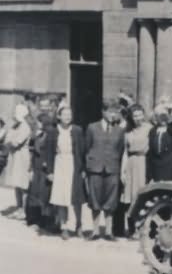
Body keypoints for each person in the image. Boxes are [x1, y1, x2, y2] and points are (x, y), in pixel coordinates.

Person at [84, 100, 126, 241]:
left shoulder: (120, 130)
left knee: (111, 200)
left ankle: (108, 231)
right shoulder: (92, 127)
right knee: (95, 199)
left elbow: (120, 150)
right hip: (95, 168)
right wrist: (90, 164)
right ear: (103, 112)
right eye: (110, 111)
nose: (113, 115)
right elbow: (87, 147)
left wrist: (113, 162)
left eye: (115, 112)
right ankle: (95, 231)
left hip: (112, 168)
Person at [48, 106, 87, 240]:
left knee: (76, 197)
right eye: (64, 115)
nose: (67, 117)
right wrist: (50, 171)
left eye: (69, 115)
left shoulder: (77, 130)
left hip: (74, 165)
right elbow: (49, 153)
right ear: (59, 116)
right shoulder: (53, 131)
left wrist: (83, 169)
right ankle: (64, 226)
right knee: (61, 197)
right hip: (59, 165)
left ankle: (79, 225)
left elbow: (83, 151)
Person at [120, 104, 151, 238]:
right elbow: (125, 152)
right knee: (129, 196)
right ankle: (131, 228)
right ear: (131, 118)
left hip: (143, 162)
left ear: (143, 115)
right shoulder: (127, 131)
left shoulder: (149, 128)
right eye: (135, 116)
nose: (138, 118)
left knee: (141, 195)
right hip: (131, 164)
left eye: (140, 115)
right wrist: (123, 171)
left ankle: (142, 228)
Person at [4, 104, 32, 220]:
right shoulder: (15, 126)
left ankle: (24, 210)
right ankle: (19, 207)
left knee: (22, 184)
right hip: (14, 156)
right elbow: (6, 140)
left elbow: (16, 143)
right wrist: (10, 142)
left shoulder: (25, 127)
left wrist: (10, 142)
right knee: (16, 184)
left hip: (22, 157)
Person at [25, 113, 54, 229]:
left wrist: (48, 163)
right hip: (36, 167)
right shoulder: (39, 135)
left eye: (39, 122)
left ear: (44, 122)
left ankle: (44, 221)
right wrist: (30, 169)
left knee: (44, 195)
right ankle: (33, 219)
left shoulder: (51, 135)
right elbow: (33, 152)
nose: (37, 124)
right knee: (34, 193)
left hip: (45, 169)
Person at [147, 110, 172, 183]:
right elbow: (151, 152)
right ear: (156, 117)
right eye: (160, 116)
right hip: (156, 166)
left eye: (165, 116)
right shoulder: (152, 131)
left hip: (170, 166)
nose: (163, 119)